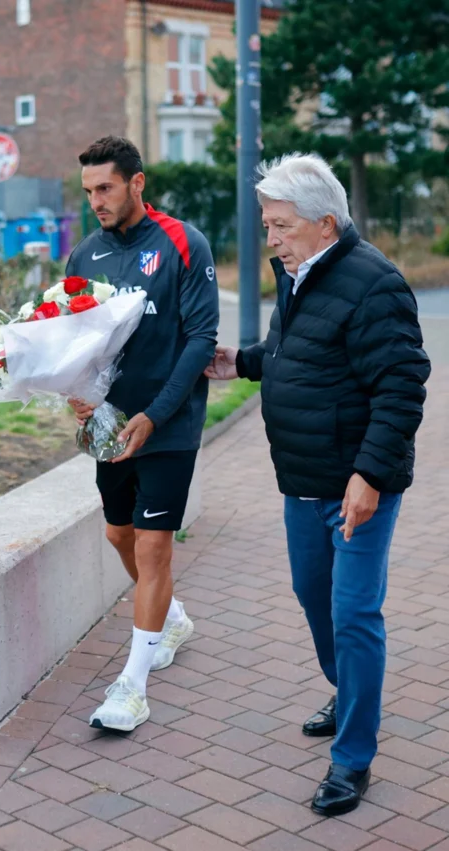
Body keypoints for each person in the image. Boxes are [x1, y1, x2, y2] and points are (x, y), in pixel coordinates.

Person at [206, 153, 429, 816]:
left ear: (325, 222)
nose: (271, 239)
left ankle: (353, 757)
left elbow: (401, 387)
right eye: (267, 226)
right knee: (313, 595)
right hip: (302, 479)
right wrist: (243, 362)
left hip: (357, 485)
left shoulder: (374, 283)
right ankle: (347, 689)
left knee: (354, 613)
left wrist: (369, 476)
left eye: (281, 226)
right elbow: (297, 353)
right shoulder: (300, 273)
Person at [67, 137, 220, 732]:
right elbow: (74, 341)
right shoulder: (84, 255)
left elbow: (201, 339)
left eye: (105, 188)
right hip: (109, 425)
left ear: (137, 183)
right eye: (88, 191)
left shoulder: (184, 242)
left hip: (169, 423)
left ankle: (132, 687)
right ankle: (172, 619)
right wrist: (76, 391)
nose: (96, 201)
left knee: (155, 548)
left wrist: (155, 414)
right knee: (118, 534)